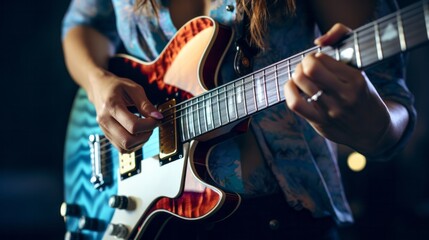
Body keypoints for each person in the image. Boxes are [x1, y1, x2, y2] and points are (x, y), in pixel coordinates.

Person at [61, 0, 416, 239]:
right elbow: (83, 23)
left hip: (275, 217)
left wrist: (377, 129)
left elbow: (392, 101)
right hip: (148, 213)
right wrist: (98, 83)